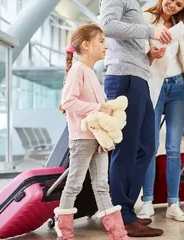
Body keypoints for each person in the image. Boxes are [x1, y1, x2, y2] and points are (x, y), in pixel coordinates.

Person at [99, 0, 171, 237]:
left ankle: (127, 209)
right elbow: (107, 26)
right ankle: (122, 216)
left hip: (138, 77)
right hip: (123, 79)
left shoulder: (136, 7)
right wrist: (150, 31)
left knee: (146, 146)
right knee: (126, 150)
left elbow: (127, 40)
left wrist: (148, 53)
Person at [54, 24, 130, 239]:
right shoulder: (78, 70)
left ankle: (119, 234)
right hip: (82, 139)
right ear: (86, 46)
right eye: (102, 41)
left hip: (99, 138)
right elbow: (68, 102)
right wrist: (99, 108)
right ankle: (66, 234)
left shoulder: (91, 72)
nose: (106, 45)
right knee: (74, 185)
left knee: (101, 185)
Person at [138, 0, 184, 222]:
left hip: (178, 87)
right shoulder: (144, 18)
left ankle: (173, 204)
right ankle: (147, 201)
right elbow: (137, 54)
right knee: (149, 147)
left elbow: (181, 57)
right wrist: (151, 55)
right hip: (154, 86)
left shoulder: (180, 27)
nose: (173, 5)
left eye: (179, 4)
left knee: (173, 149)